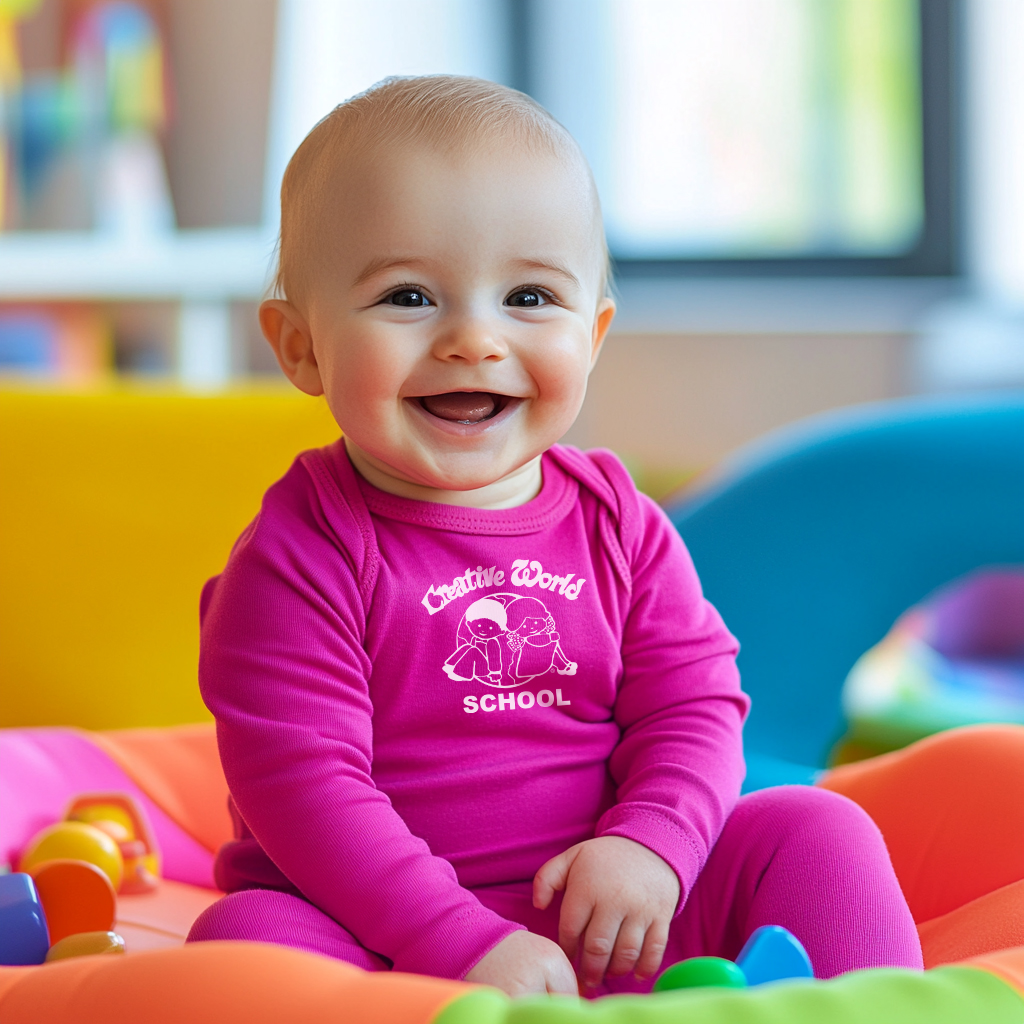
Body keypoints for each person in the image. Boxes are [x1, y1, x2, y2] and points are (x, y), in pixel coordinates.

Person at [187, 75, 922, 996]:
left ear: (594, 331)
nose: (474, 339)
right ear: (300, 347)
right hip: (381, 935)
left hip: (613, 915)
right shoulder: (302, 555)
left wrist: (651, 844)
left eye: (530, 298)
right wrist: (456, 940)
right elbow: (305, 789)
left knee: (820, 831)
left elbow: (693, 705)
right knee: (244, 938)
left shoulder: (619, 523)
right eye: (409, 298)